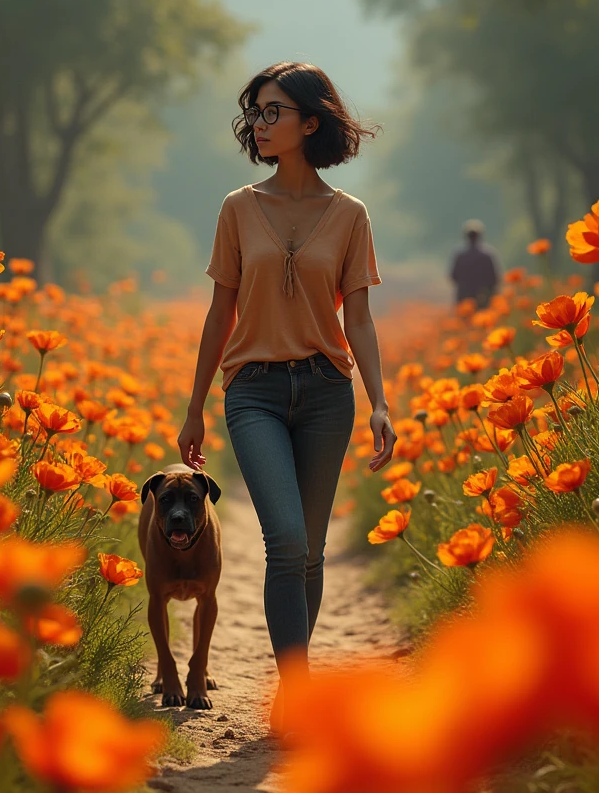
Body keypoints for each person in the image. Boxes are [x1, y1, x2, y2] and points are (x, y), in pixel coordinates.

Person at [177, 61, 397, 741]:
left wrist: (380, 401)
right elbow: (220, 315)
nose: (260, 124)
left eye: (274, 112)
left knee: (311, 553)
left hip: (329, 392)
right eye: (257, 112)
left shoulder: (350, 215)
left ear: (311, 121)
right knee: (288, 540)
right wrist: (194, 407)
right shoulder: (238, 208)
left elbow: (357, 318)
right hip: (254, 392)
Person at [449, 219, 501, 309]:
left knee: (466, 321)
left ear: (466, 236)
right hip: (483, 297)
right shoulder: (487, 255)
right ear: (480, 236)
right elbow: (494, 278)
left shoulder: (460, 256)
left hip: (464, 298)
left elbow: (453, 276)